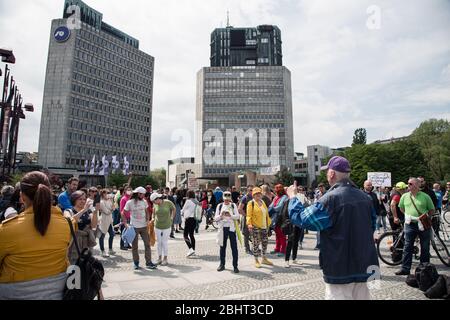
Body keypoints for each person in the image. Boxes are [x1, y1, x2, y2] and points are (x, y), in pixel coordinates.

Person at [288, 156, 378, 300]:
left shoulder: (331, 199)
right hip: (366, 265)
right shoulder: (365, 198)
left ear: (331, 174)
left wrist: (293, 198)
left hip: (339, 267)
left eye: (327, 172)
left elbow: (303, 219)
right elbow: (372, 227)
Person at [0, 172, 82, 300]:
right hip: (58, 291)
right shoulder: (67, 225)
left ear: (22, 197)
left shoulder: (6, 230)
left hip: (14, 292)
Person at [395, 178, 435, 276]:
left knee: (425, 247)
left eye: (410, 184)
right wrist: (409, 216)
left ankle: (424, 269)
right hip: (410, 225)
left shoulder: (426, 196)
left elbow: (431, 210)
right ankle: (405, 268)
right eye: (408, 184)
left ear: (417, 185)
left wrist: (425, 217)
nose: (408, 185)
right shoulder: (404, 196)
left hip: (423, 224)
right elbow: (401, 208)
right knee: (407, 247)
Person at [123, 187, 156, 270]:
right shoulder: (129, 202)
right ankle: (136, 263)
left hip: (144, 226)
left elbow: (147, 211)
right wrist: (125, 223)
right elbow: (123, 212)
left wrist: (148, 220)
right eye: (142, 194)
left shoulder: (144, 201)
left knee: (147, 245)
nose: (144, 196)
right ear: (138, 194)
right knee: (135, 246)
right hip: (134, 227)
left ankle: (148, 262)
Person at [64, 191, 98, 264]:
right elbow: (69, 221)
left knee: (87, 265)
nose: (83, 201)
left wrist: (95, 212)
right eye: (80, 199)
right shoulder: (68, 211)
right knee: (74, 264)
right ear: (74, 200)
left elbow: (94, 226)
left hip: (87, 242)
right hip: (74, 242)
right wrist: (83, 210)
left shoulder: (88, 211)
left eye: (84, 199)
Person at [247, 187, 273, 268]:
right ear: (253, 195)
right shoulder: (251, 203)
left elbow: (266, 213)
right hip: (255, 226)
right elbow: (248, 215)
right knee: (256, 243)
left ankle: (264, 258)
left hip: (264, 226)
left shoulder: (263, 202)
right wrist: (249, 224)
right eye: (256, 194)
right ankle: (256, 260)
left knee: (265, 242)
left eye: (259, 193)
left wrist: (269, 222)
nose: (258, 195)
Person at [215, 191, 240, 273]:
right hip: (222, 228)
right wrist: (221, 216)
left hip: (231, 229)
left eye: (228, 199)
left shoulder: (233, 206)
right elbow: (215, 218)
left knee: (234, 248)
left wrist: (230, 215)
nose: (226, 201)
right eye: (225, 199)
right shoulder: (220, 206)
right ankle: (222, 264)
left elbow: (237, 216)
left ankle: (235, 266)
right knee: (222, 247)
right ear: (223, 198)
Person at [151, 192, 176, 266]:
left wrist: (172, 218)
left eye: (154, 201)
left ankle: (165, 258)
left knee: (164, 242)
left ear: (158, 199)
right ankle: (159, 258)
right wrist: (152, 218)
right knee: (159, 242)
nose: (153, 203)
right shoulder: (155, 204)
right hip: (157, 225)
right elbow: (154, 212)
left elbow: (174, 209)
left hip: (167, 225)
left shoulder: (168, 202)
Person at [268, 184, 288, 256]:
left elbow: (280, 207)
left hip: (281, 218)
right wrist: (270, 209)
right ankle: (277, 248)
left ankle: (283, 250)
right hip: (275, 218)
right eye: (276, 190)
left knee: (282, 234)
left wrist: (272, 209)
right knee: (277, 234)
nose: (277, 191)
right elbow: (271, 205)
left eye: (279, 190)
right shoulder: (276, 197)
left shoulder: (285, 197)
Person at [181, 190, 199, 257]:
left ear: (188, 195)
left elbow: (183, 209)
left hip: (188, 219)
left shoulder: (188, 201)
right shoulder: (196, 201)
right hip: (194, 219)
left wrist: (181, 214)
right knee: (191, 235)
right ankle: (193, 251)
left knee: (185, 235)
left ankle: (190, 249)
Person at [98, 189, 115, 257]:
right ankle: (102, 251)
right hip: (104, 220)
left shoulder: (109, 201)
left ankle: (110, 249)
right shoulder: (101, 202)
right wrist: (111, 210)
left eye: (107, 193)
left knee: (112, 234)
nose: (107, 195)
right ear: (102, 195)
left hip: (110, 220)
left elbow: (113, 208)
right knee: (102, 236)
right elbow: (107, 212)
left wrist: (112, 202)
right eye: (105, 193)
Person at [238, 185, 254, 255]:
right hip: (247, 218)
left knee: (254, 233)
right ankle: (247, 248)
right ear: (247, 190)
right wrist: (246, 216)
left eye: (252, 190)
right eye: (250, 190)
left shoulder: (253, 197)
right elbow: (239, 209)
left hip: (253, 218)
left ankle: (254, 247)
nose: (251, 191)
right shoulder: (245, 198)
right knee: (246, 234)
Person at [119, 186, 132, 250]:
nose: (129, 191)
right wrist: (123, 219)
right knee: (123, 232)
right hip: (124, 218)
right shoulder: (123, 199)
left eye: (130, 190)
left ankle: (127, 244)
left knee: (128, 232)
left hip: (130, 217)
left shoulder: (130, 198)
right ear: (125, 191)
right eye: (128, 190)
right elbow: (121, 210)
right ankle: (122, 245)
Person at [314, 183, 326, 250]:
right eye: (319, 188)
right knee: (318, 230)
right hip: (318, 214)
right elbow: (315, 203)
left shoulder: (327, 194)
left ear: (324, 188)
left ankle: (323, 244)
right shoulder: (318, 195)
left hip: (325, 214)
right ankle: (318, 244)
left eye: (322, 188)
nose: (321, 189)